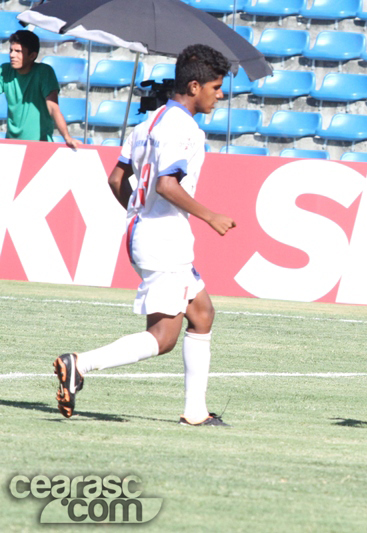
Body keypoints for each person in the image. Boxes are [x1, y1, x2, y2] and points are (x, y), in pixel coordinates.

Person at [53, 44, 236, 426]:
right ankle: (80, 364)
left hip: (150, 233)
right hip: (163, 239)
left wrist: (140, 213)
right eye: (216, 87)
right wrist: (210, 216)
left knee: (202, 314)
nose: (220, 95)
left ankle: (196, 411)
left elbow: (116, 179)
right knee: (164, 337)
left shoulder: (146, 124)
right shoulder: (183, 128)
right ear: (194, 84)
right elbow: (168, 185)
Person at [0, 30, 81, 148]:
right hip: (12, 145)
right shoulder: (5, 70)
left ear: (32, 55)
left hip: (40, 146)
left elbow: (53, 107)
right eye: (11, 50)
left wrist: (67, 137)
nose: (12, 55)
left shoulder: (44, 72)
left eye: (18, 51)